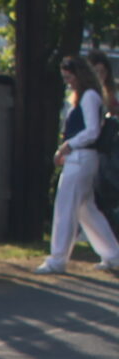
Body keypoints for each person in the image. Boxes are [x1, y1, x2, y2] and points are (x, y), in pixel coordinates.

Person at [39, 54, 114, 274]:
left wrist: (67, 146)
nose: (68, 81)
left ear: (79, 75)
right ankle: (112, 253)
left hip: (81, 156)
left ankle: (58, 258)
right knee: (86, 210)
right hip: (81, 157)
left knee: (65, 208)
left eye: (69, 77)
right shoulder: (86, 96)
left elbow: (92, 130)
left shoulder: (89, 97)